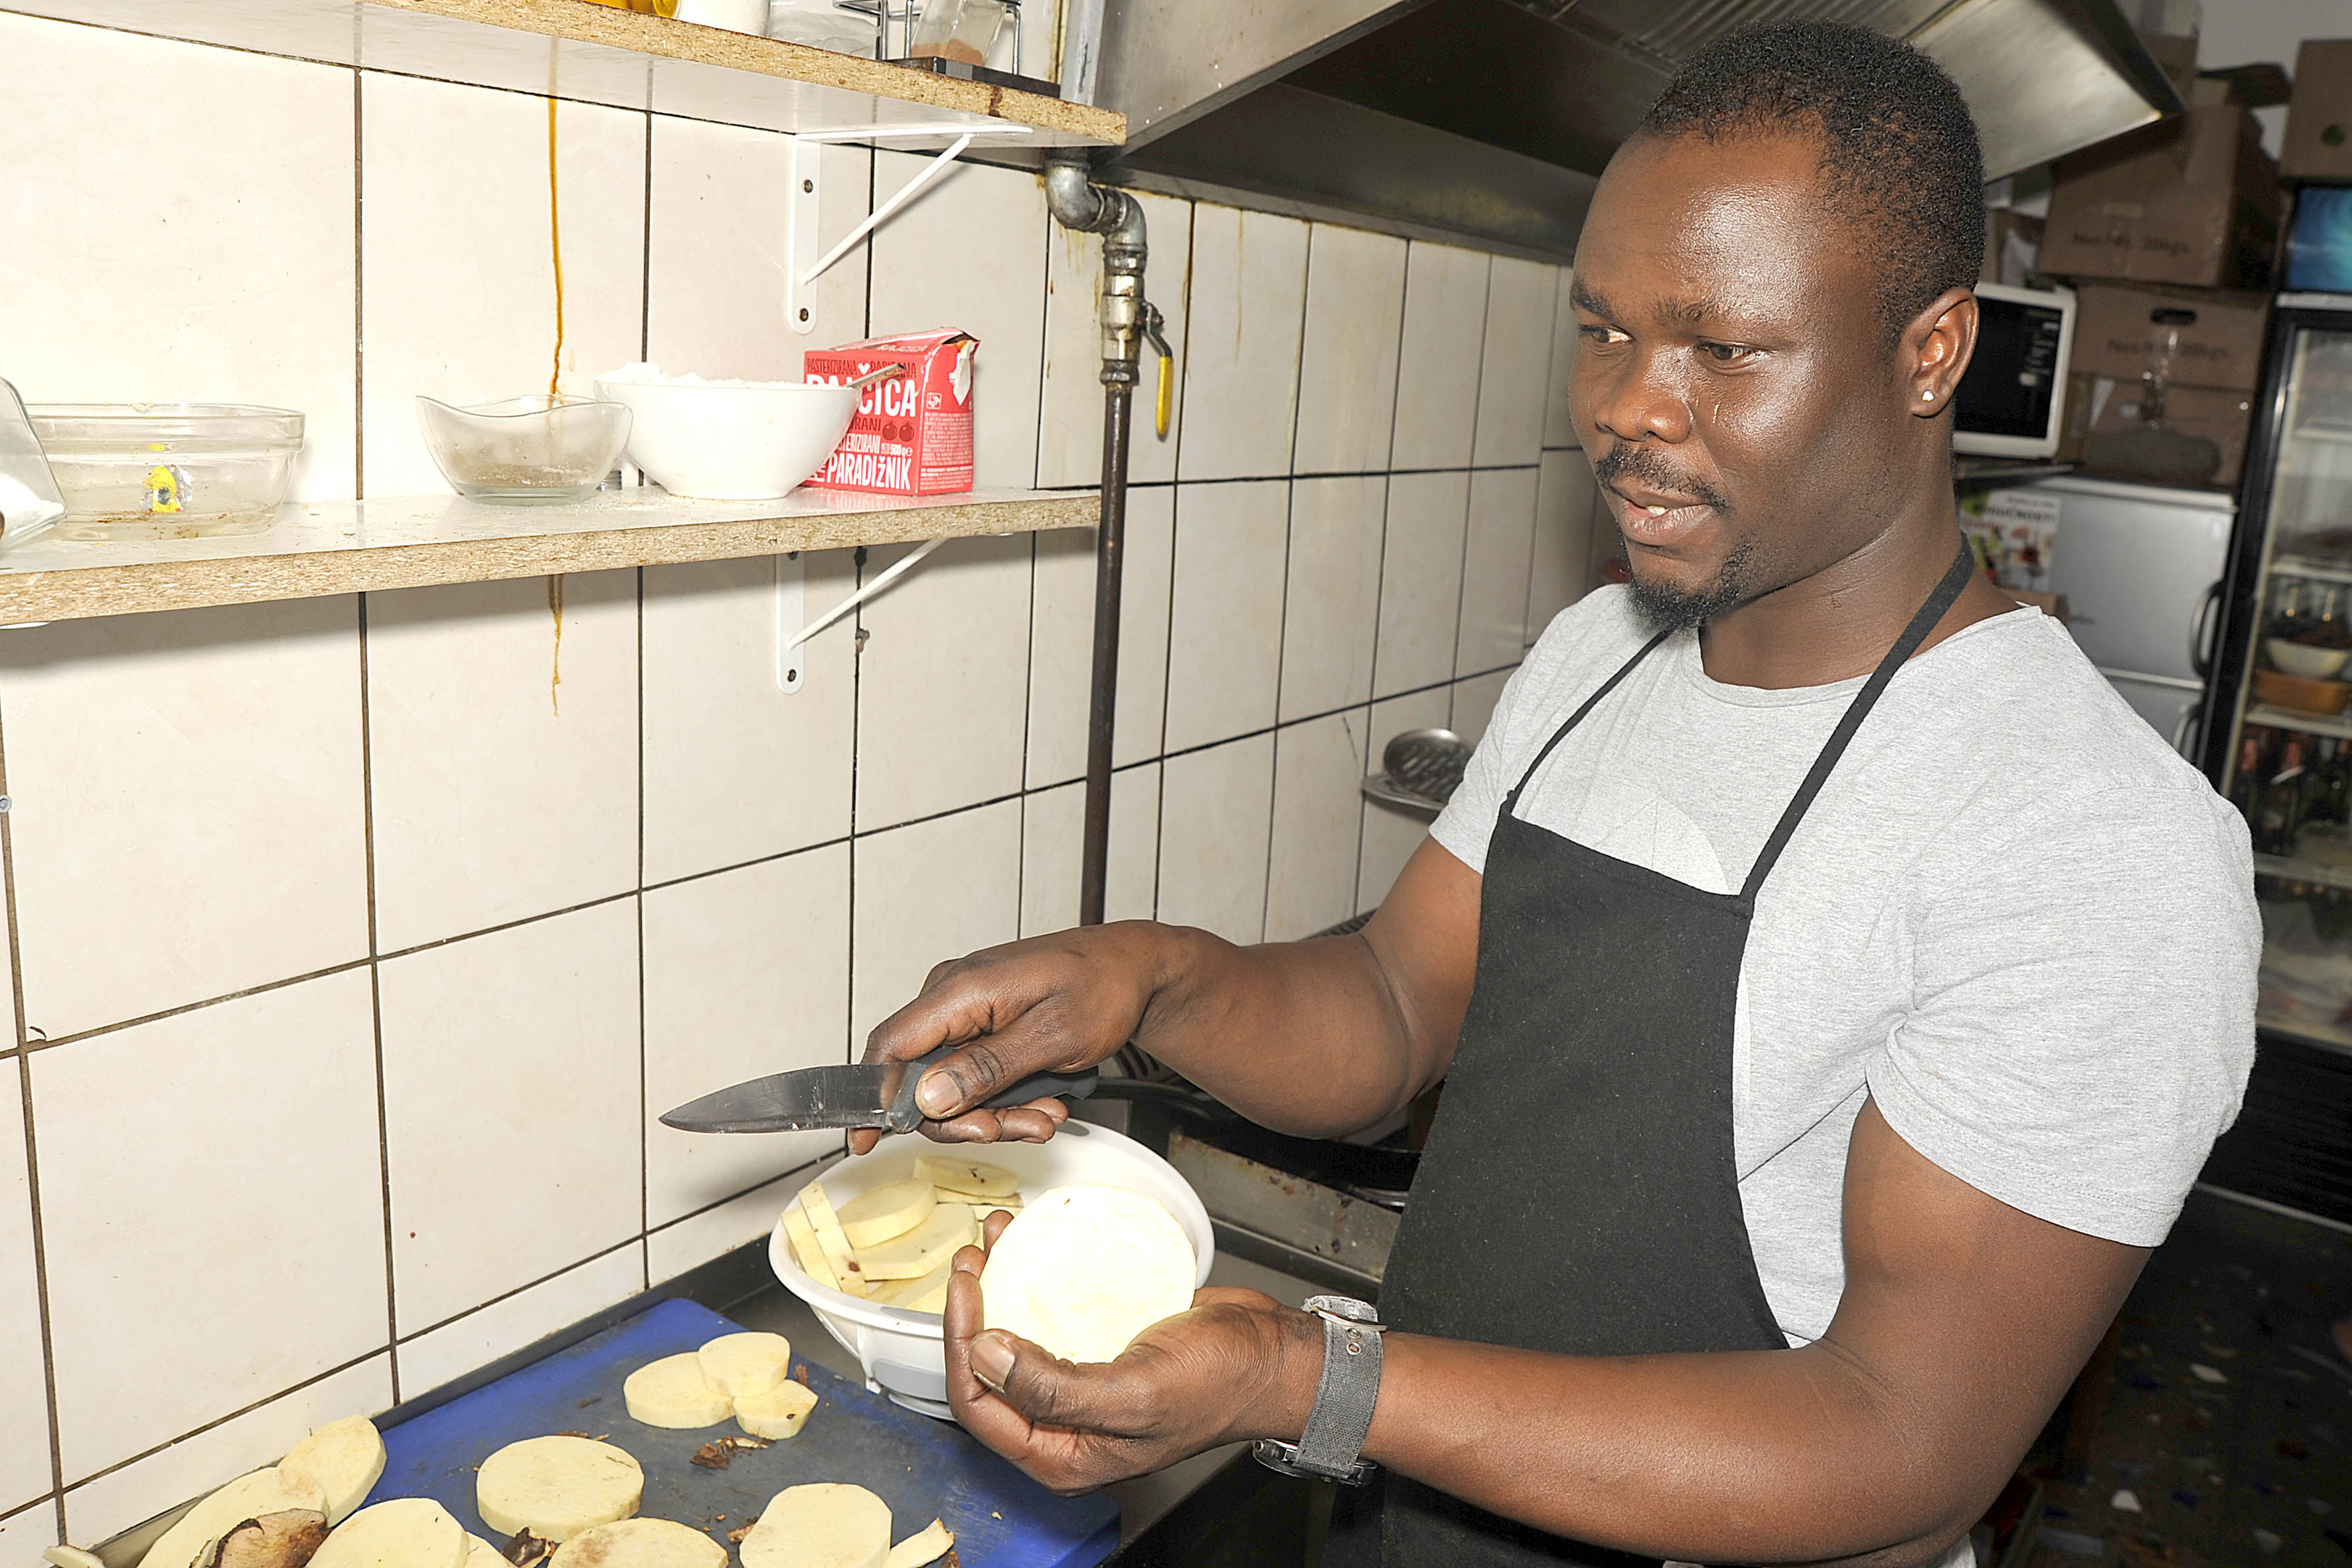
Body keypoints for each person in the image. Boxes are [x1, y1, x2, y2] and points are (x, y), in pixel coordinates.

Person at [852, 21, 2260, 1567]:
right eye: (1601, 330)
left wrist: (1312, 1376)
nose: (1631, 408)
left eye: (1722, 349)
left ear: (1930, 350)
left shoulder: (2088, 842)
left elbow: (1899, 1437)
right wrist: (1142, 979)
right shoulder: (1603, 650)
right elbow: (1392, 1011)